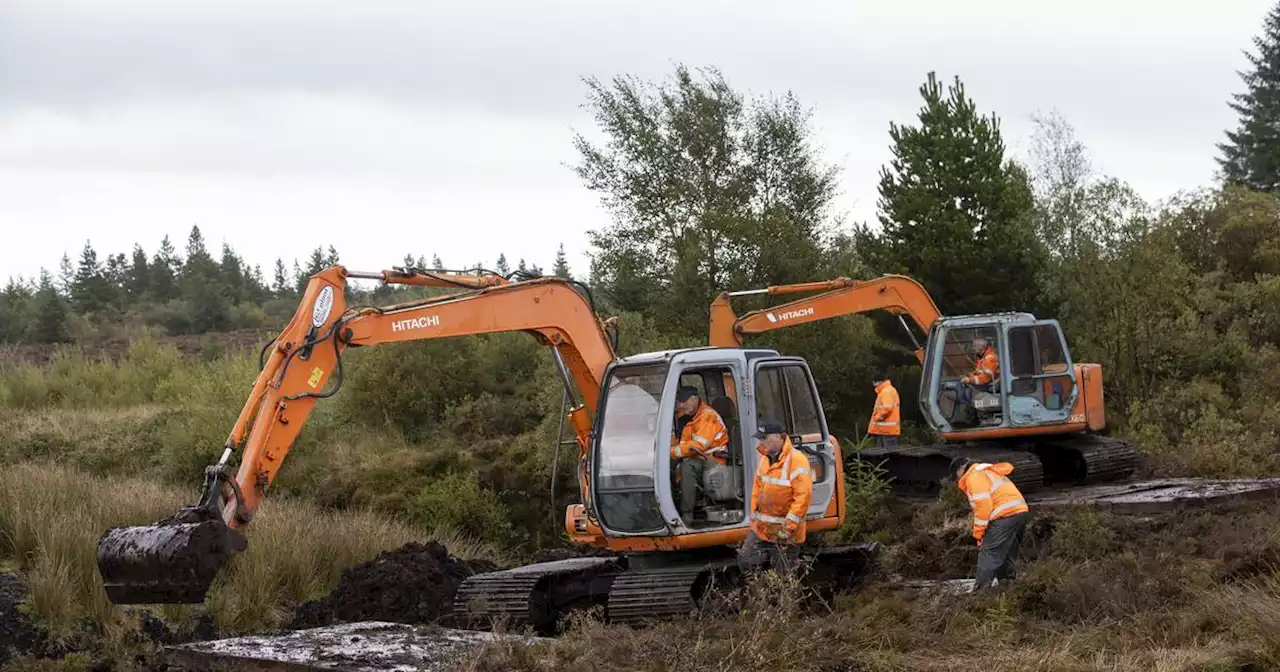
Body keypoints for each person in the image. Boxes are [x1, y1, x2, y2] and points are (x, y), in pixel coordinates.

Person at [738, 419, 813, 576]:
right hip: (762, 529)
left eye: (765, 438)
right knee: (746, 559)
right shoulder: (764, 460)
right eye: (760, 438)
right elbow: (756, 491)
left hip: (786, 532)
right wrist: (754, 519)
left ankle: (782, 598)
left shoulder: (797, 460)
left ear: (780, 437)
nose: (762, 442)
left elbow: (802, 497)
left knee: (783, 577)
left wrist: (788, 528)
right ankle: (762, 589)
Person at [950, 457, 1030, 591]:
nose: (957, 479)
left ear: (960, 470)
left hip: (1005, 515)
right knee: (1005, 553)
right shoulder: (985, 472)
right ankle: (1008, 588)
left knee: (989, 553)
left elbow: (983, 506)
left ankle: (980, 593)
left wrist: (979, 533)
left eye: (955, 475)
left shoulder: (973, 476)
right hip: (1020, 512)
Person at [670, 386, 729, 517]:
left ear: (695, 399)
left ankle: (687, 514)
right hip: (699, 457)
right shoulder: (691, 417)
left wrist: (672, 452)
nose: (681, 405)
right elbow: (683, 442)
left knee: (687, 467)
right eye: (679, 402)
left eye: (684, 401)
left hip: (712, 459)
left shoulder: (707, 417)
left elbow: (698, 445)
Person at [868, 371, 900, 448]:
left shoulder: (886, 392)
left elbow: (887, 408)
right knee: (886, 455)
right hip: (886, 431)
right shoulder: (888, 390)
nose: (873, 385)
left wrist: (877, 418)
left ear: (878, 382)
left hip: (886, 430)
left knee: (887, 455)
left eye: (874, 382)